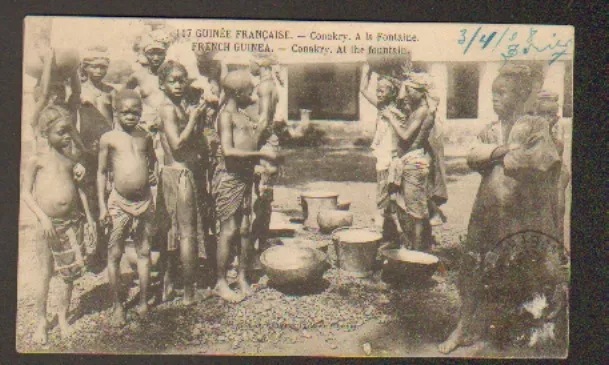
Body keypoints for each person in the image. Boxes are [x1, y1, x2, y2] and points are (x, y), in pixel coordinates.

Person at [439, 64, 562, 354]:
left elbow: (539, 160)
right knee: (473, 266)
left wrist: (495, 156)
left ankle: (531, 329)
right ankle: (464, 327)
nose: (495, 99)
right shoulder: (489, 129)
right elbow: (473, 158)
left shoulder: (535, 125)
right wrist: (501, 152)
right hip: (488, 209)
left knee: (527, 266)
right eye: (493, 93)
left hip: (522, 211)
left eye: (501, 93)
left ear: (519, 97)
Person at [21, 105, 97, 344]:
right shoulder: (36, 160)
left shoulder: (70, 159)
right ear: (45, 133)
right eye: (62, 132)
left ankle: (63, 316)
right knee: (45, 273)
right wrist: (43, 218)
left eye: (70, 131)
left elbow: (80, 191)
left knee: (69, 274)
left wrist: (90, 218)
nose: (67, 136)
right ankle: (42, 320)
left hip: (71, 222)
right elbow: (25, 194)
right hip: (48, 225)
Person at [213, 69, 281, 302]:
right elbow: (230, 152)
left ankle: (242, 276)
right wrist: (260, 154)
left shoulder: (242, 115)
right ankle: (221, 282)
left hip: (244, 178)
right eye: (249, 91)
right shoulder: (226, 116)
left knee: (244, 229)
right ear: (237, 92)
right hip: (229, 178)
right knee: (229, 230)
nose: (253, 94)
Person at [97, 90, 157, 325]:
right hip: (119, 203)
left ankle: (143, 301)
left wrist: (151, 173)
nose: (131, 116)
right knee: (115, 254)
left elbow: (151, 160)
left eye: (136, 112)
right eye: (126, 112)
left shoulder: (145, 136)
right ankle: (117, 305)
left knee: (144, 251)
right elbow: (101, 173)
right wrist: (102, 206)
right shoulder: (109, 138)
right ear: (116, 112)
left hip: (145, 202)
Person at [156, 60, 208, 305]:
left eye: (181, 80)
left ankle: (167, 286)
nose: (178, 85)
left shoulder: (179, 105)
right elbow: (177, 144)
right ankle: (189, 293)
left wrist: (196, 116)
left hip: (172, 173)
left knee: (172, 233)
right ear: (162, 84)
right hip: (180, 174)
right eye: (172, 81)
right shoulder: (167, 109)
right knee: (187, 236)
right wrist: (193, 118)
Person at [385, 72, 437, 252]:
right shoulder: (417, 109)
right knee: (407, 207)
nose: (406, 95)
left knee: (416, 212)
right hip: (409, 160)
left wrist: (391, 118)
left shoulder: (422, 111)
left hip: (414, 162)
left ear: (421, 92)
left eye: (410, 92)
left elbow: (405, 135)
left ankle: (417, 253)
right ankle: (415, 248)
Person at [359, 63, 402, 247]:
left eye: (383, 90)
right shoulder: (382, 107)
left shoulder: (396, 111)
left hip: (391, 161)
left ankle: (394, 238)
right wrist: (365, 70)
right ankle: (390, 236)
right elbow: (362, 89)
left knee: (389, 199)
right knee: (385, 200)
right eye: (378, 89)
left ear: (393, 93)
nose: (378, 93)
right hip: (382, 161)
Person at [249, 53, 282, 258]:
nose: (248, 65)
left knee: (260, 194)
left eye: (250, 61)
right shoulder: (271, 86)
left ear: (261, 64)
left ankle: (256, 244)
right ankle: (260, 241)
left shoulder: (263, 87)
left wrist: (249, 148)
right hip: (270, 142)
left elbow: (262, 121)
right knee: (264, 196)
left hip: (263, 143)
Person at [124, 32, 170, 165]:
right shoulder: (138, 76)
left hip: (166, 127)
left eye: (160, 53)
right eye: (151, 53)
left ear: (165, 54)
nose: (155, 57)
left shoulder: (171, 75)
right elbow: (122, 97)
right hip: (145, 127)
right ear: (145, 54)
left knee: (164, 165)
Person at [535, 90, 570, 252]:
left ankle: (558, 250)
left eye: (550, 114)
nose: (547, 118)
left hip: (556, 175)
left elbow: (557, 153)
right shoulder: (533, 131)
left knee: (558, 208)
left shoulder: (558, 129)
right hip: (539, 175)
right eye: (543, 114)